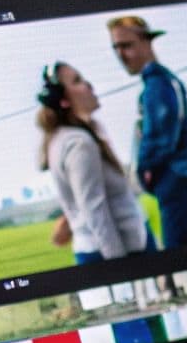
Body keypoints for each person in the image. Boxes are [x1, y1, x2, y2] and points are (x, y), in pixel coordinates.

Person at [108, 14, 187, 248]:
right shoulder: (159, 82)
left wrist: (145, 169)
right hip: (184, 177)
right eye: (115, 48)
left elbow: (160, 136)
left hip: (179, 178)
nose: (121, 55)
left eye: (126, 46)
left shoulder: (157, 84)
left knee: (184, 254)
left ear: (147, 42)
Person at [36, 62, 153, 264]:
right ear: (63, 101)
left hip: (115, 246)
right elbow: (93, 208)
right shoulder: (79, 143)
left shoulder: (73, 136)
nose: (89, 85)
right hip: (117, 251)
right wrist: (120, 268)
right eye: (77, 81)